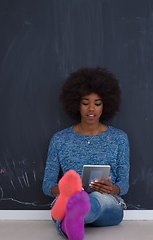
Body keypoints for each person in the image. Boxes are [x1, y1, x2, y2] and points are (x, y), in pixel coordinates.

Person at [42, 67, 130, 240]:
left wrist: (113, 188)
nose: (91, 108)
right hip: (69, 197)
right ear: (76, 103)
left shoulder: (119, 138)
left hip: (108, 202)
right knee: (72, 200)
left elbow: (124, 183)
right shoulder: (59, 139)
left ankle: (70, 216)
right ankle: (72, 207)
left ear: (105, 105)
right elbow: (47, 184)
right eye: (85, 103)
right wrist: (61, 192)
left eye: (97, 103)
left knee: (97, 198)